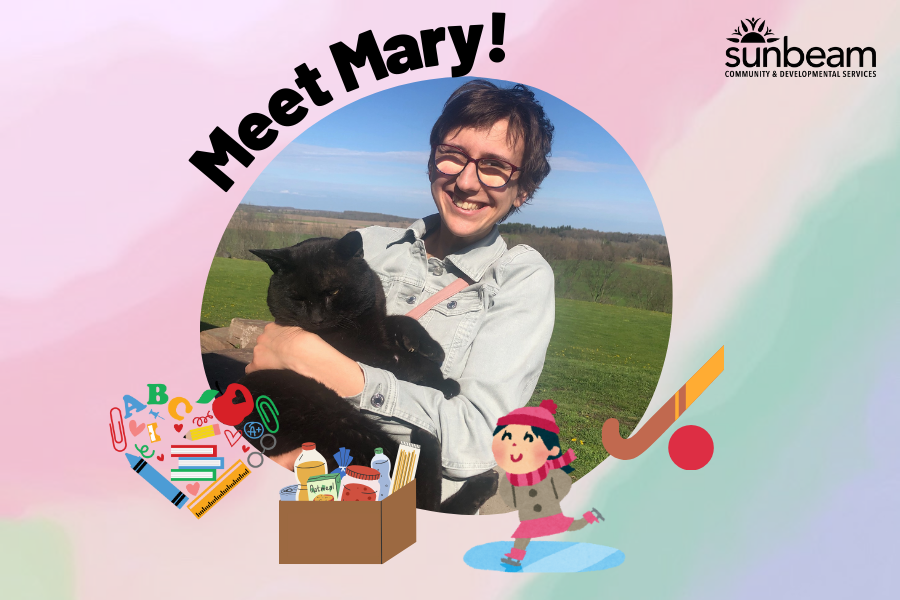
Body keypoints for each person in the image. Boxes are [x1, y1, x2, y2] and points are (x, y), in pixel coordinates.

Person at [245, 79, 557, 502]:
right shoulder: (368, 244)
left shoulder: (518, 278)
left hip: (401, 501)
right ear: (432, 163)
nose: (467, 182)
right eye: (453, 157)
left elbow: (480, 441)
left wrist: (345, 376)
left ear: (524, 190)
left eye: (496, 167)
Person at [492, 399, 602, 567]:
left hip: (549, 512)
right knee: (523, 535)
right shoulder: (514, 474)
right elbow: (510, 491)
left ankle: (590, 519)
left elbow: (558, 472)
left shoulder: (546, 469)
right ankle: (515, 559)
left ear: (551, 449)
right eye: (508, 437)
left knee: (571, 527)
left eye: (527, 439)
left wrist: (565, 462)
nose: (515, 444)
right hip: (529, 515)